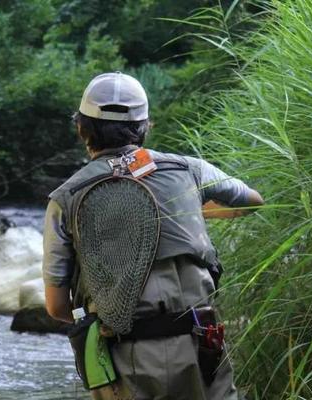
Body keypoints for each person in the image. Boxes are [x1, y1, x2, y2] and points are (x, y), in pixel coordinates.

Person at [42, 72, 264, 400]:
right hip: (202, 344)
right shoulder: (189, 169)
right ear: (146, 126)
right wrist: (187, 210)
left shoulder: (65, 199)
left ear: (81, 128)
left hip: (124, 356)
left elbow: (57, 307)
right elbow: (251, 202)